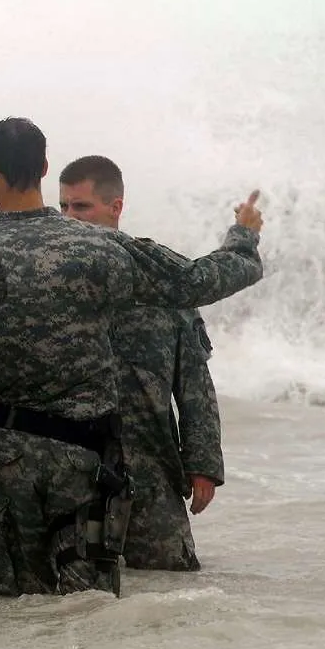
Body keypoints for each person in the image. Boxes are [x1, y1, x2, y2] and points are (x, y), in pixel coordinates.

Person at [0, 117, 264, 597]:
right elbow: (194, 282)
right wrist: (241, 241)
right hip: (87, 459)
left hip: (10, 454)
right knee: (90, 609)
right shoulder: (105, 249)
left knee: (19, 606)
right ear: (44, 167)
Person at [58, 155, 221, 571]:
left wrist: (202, 466)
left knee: (169, 584)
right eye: (63, 207)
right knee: (75, 592)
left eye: (81, 207)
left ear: (116, 207)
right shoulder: (54, 276)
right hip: (75, 464)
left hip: (149, 463)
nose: (70, 218)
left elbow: (194, 382)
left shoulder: (160, 278)